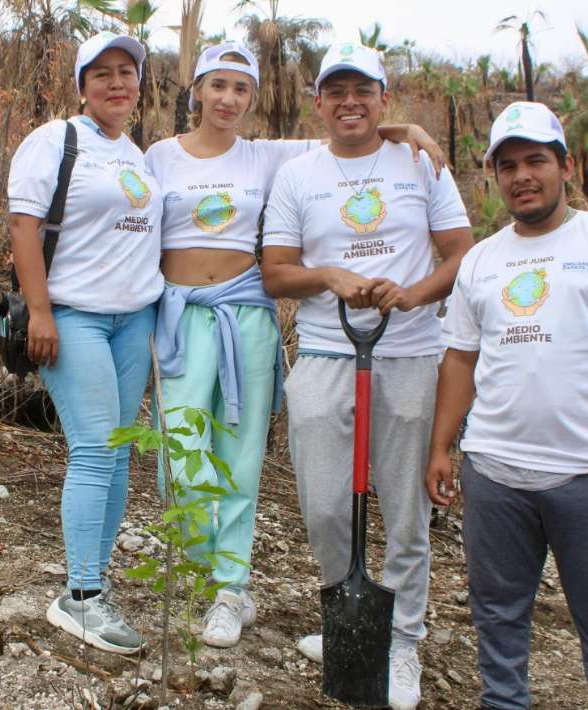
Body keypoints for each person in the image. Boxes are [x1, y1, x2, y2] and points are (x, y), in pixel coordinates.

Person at [143, 42, 445, 650]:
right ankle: (204, 568)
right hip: (179, 316)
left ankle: (230, 589)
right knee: (182, 453)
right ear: (196, 90)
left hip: (245, 314)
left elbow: (347, 133)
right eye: (218, 85)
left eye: (242, 89)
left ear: (253, 98)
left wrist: (403, 125)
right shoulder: (158, 156)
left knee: (241, 455)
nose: (229, 99)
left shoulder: (267, 156)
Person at [425, 101, 588, 710]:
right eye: (508, 165)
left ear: (566, 166)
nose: (522, 176)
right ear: (495, 177)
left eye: (536, 160)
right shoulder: (482, 261)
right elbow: (460, 358)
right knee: (497, 615)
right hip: (494, 471)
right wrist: (442, 448)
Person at [260, 41, 474, 710]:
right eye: (336, 90)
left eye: (364, 90)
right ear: (319, 102)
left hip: (410, 355)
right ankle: (349, 620)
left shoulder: (420, 162)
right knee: (325, 504)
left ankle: (402, 641)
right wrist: (329, 276)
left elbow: (461, 253)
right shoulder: (299, 174)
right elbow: (275, 270)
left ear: (384, 99)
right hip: (327, 351)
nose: (350, 101)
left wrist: (413, 294)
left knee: (405, 510)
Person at [6, 31, 163, 655]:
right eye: (102, 74)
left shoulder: (140, 155)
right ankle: (79, 597)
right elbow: (23, 226)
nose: (117, 83)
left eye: (127, 72)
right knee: (96, 449)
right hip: (73, 317)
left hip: (134, 321)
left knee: (119, 452)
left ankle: (93, 586)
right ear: (82, 85)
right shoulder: (55, 140)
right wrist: (40, 312)